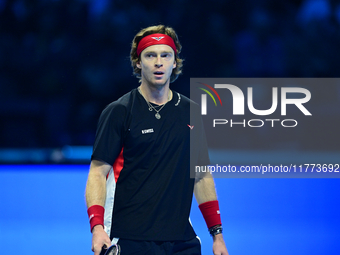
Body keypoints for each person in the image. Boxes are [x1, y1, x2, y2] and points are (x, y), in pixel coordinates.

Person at [85, 24, 229, 255]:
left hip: (183, 241)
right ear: (138, 62)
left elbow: (201, 176)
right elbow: (97, 173)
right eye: (151, 55)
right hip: (130, 239)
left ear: (175, 62)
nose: (158, 62)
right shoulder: (119, 111)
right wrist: (97, 227)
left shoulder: (191, 112)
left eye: (166, 55)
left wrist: (217, 236)